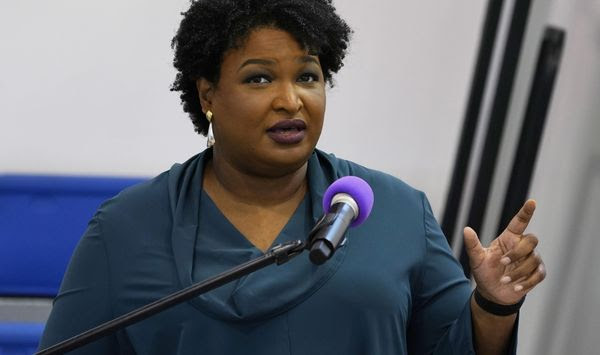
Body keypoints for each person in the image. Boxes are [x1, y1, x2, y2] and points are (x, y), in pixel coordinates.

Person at [39, 0, 546, 354]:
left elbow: (453, 347)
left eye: (308, 76)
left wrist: (493, 304)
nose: (291, 99)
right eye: (259, 77)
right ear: (208, 95)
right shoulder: (127, 227)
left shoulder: (395, 210)